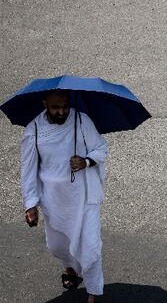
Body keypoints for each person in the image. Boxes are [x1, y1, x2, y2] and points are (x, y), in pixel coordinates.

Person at [20, 90, 108, 303]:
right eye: (55, 108)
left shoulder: (81, 120)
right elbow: (28, 168)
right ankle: (70, 268)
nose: (61, 112)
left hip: (84, 196)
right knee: (57, 245)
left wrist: (86, 161)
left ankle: (93, 292)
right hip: (54, 200)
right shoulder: (34, 130)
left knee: (90, 246)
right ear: (45, 104)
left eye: (65, 107)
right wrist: (30, 205)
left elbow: (101, 148)